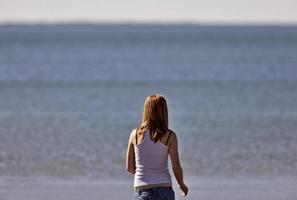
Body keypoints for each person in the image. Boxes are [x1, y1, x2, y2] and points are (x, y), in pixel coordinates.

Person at [126, 94, 188, 200]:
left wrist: (145, 174)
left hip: (143, 191)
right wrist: (182, 185)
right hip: (165, 190)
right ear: (164, 112)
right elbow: (176, 167)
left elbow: (129, 167)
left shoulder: (135, 135)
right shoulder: (170, 136)